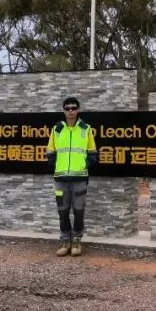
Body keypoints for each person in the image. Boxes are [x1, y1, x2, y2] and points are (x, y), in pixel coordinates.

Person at [46, 96, 97, 256]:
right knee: (62, 212)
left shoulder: (85, 129)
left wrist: (84, 165)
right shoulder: (57, 129)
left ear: (78, 110)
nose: (70, 111)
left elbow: (92, 153)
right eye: (67, 108)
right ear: (63, 110)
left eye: (73, 108)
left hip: (79, 179)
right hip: (60, 179)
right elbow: (50, 151)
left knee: (79, 211)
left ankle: (76, 241)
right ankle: (65, 241)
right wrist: (55, 165)